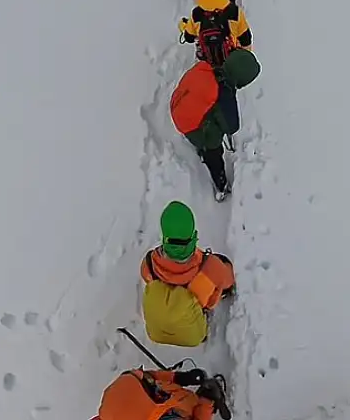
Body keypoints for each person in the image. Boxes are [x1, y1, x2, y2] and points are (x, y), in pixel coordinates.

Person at [170, 44, 260, 201]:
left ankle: (201, 141)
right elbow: (232, 126)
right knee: (213, 143)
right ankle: (220, 182)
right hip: (187, 123)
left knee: (211, 112)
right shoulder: (223, 92)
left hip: (177, 105)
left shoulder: (206, 68)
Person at [139, 201, 236, 347]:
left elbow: (146, 277)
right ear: (193, 236)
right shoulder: (211, 268)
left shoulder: (148, 265)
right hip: (193, 336)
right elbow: (225, 284)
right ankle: (202, 331)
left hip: (156, 333)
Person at [96, 366, 231, 420]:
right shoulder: (112, 399)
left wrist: (178, 378)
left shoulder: (121, 390)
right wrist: (207, 402)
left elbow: (144, 376)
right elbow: (142, 376)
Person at [179, 0, 252, 66]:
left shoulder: (197, 13)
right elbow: (246, 39)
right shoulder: (234, 11)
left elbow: (189, 37)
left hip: (206, 64)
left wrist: (183, 25)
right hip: (229, 63)